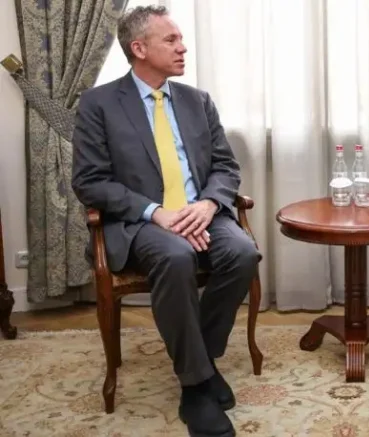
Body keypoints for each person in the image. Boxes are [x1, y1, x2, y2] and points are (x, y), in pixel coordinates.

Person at [71, 6, 259, 436]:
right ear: (139, 49)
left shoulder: (197, 101)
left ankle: (200, 361)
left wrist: (208, 205)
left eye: (181, 39)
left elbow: (225, 166)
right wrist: (155, 212)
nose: (183, 47)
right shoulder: (98, 104)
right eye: (171, 40)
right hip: (141, 223)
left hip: (199, 213)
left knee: (244, 253)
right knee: (175, 257)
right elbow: (89, 181)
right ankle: (196, 387)